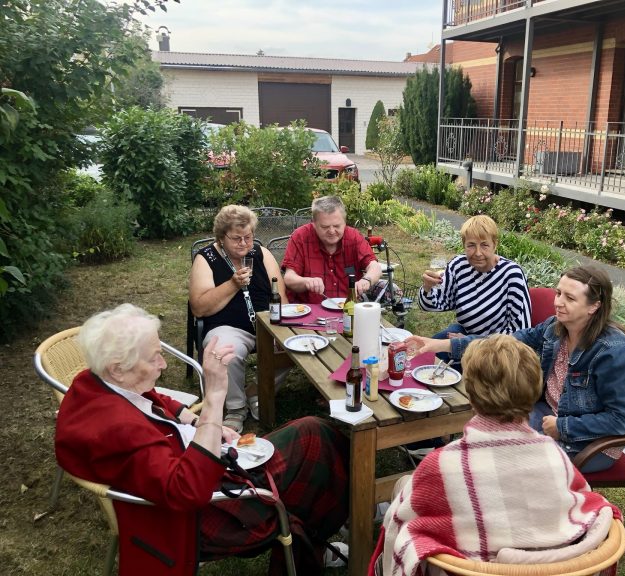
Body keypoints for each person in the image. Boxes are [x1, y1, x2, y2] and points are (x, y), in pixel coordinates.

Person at [55, 304, 349, 575]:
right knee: (315, 451)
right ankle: (322, 532)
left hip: (206, 465)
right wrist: (214, 401)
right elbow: (187, 490)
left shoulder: (96, 384)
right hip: (199, 514)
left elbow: (154, 399)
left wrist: (194, 420)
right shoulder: (118, 429)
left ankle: (337, 509)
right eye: (154, 357)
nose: (163, 365)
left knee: (315, 433)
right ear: (117, 368)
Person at [370, 335, 621, 576]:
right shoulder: (555, 456)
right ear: (534, 390)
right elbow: (583, 504)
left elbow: (405, 526)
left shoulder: (441, 466)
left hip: (468, 568)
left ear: (471, 394)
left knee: (403, 492)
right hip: (548, 567)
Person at [405, 265, 625, 473]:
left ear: (594, 307)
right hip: (544, 413)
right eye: (559, 293)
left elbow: (622, 419)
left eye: (570, 299)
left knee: (503, 459)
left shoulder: (614, 351)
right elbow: (507, 341)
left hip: (590, 443)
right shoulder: (556, 327)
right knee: (485, 437)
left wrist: (562, 427)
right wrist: (440, 345)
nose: (558, 302)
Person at [189, 205, 287, 432]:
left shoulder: (260, 253)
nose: (244, 243)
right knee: (225, 353)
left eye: (248, 237)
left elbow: (280, 295)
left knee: (296, 348)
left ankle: (257, 390)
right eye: (236, 238)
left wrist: (282, 327)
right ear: (221, 237)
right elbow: (199, 308)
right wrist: (233, 284)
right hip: (228, 327)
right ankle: (236, 407)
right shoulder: (207, 258)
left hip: (266, 322)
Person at [418, 214, 531, 360]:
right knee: (423, 352)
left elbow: (520, 333)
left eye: (484, 245)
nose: (478, 253)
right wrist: (427, 288)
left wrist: (472, 342)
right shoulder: (459, 266)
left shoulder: (512, 275)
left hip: (499, 351)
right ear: (464, 245)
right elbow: (433, 305)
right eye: (471, 245)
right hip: (464, 334)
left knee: (439, 364)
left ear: (495, 245)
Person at [282, 195, 381, 304]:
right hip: (309, 309)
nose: (332, 231)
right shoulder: (300, 237)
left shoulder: (353, 237)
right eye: (325, 227)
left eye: (337, 226)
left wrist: (366, 280)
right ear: (313, 224)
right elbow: (289, 278)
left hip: (346, 308)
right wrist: (306, 282)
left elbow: (375, 267)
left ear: (345, 222)